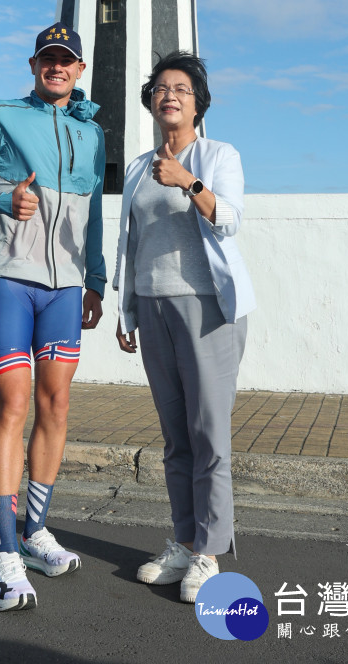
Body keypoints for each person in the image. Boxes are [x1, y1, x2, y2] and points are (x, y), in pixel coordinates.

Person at [0, 22, 105, 612]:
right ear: (34, 65)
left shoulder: (92, 133)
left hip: (66, 289)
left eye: (67, 61)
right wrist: (0, 198)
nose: (57, 68)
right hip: (12, 281)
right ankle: (4, 551)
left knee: (56, 405)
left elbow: (97, 216)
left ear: (80, 70)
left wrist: (97, 280)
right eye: (48, 59)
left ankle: (36, 532)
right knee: (12, 405)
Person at [113, 50, 255, 603]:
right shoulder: (135, 168)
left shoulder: (219, 155)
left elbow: (232, 218)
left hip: (206, 307)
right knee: (175, 439)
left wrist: (189, 183)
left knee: (208, 436)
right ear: (150, 101)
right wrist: (127, 312)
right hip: (152, 307)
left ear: (199, 104)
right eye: (161, 89)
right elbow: (133, 245)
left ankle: (208, 552)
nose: (169, 96)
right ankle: (182, 539)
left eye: (181, 89)